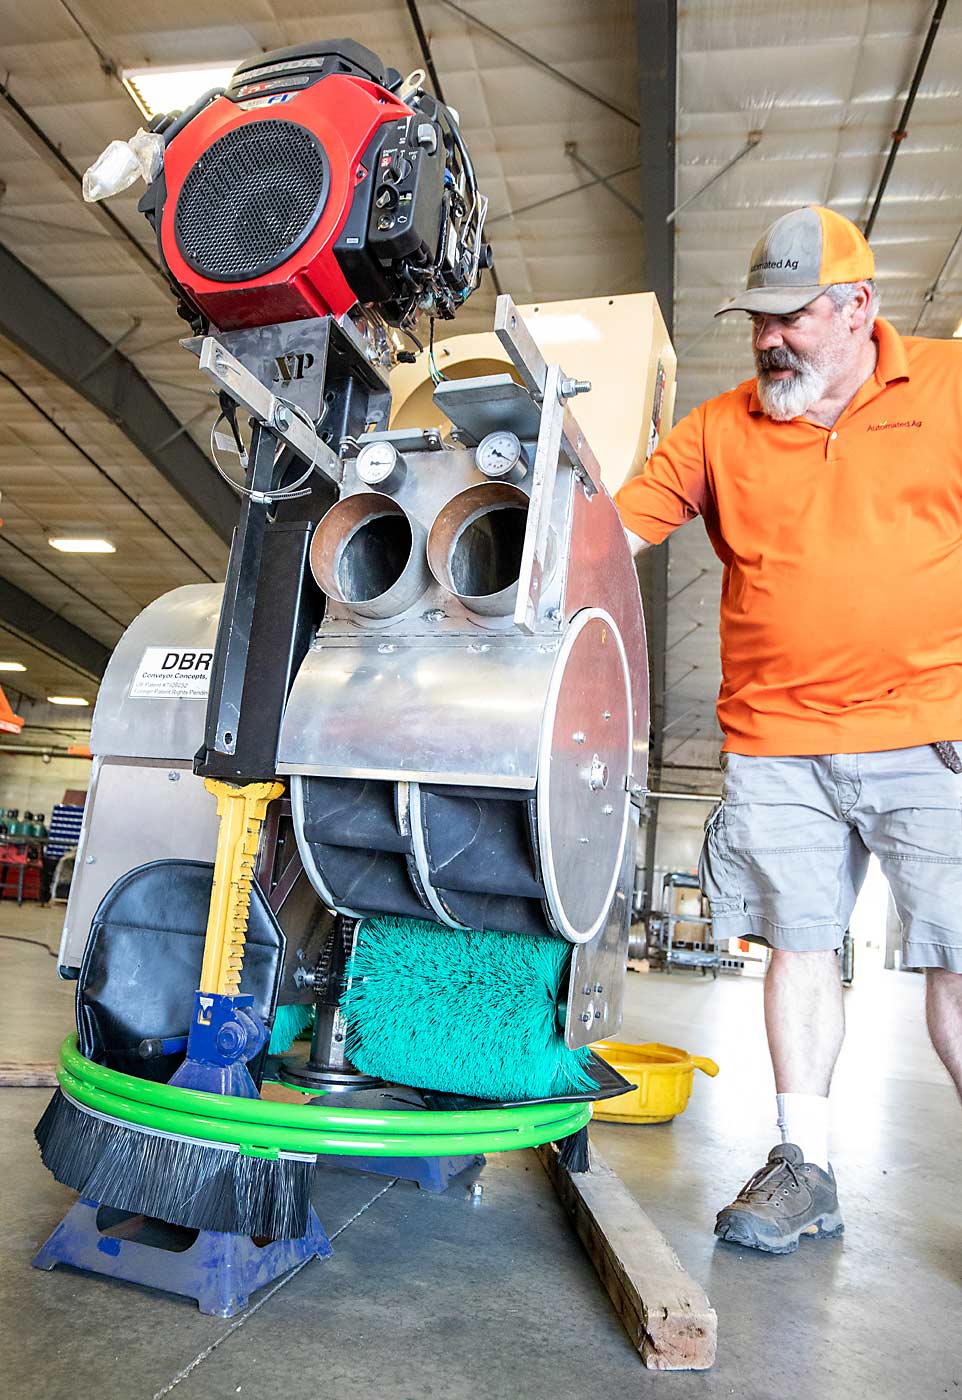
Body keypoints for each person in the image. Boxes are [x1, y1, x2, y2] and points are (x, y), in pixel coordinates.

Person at [615, 204, 962, 1255]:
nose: (769, 338)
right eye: (755, 318)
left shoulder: (947, 387)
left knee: (955, 959)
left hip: (930, 730)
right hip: (775, 742)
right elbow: (616, 525)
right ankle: (800, 1163)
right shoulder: (720, 428)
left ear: (858, 306)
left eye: (791, 316)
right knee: (798, 948)